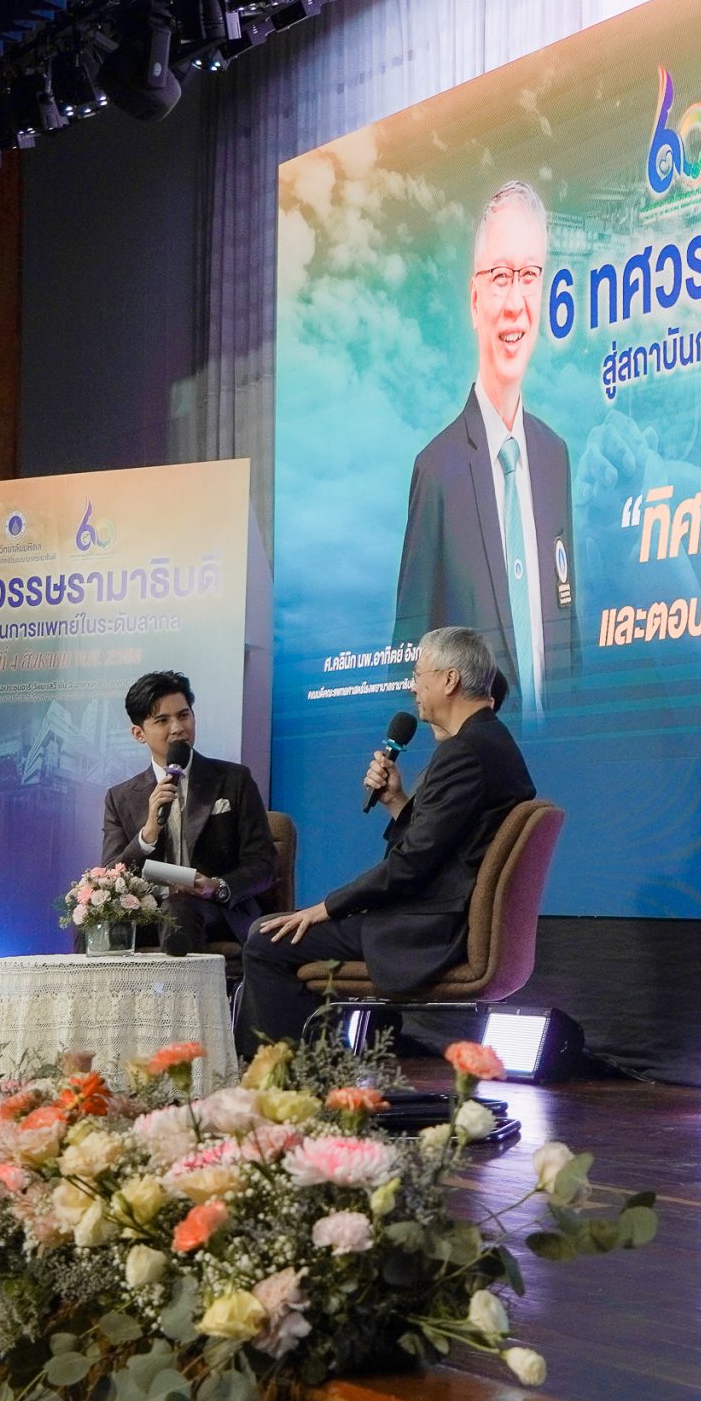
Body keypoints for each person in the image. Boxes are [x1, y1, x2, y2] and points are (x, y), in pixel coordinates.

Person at [242, 626, 535, 1049]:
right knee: (275, 931)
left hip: (428, 928)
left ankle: (285, 1075)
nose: (412, 687)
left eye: (418, 675)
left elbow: (411, 865)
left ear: (449, 680)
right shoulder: (488, 741)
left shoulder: (464, 752)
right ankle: (317, 1065)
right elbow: (443, 845)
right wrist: (397, 801)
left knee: (266, 939)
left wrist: (325, 908)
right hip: (438, 915)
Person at [392, 181, 580, 714]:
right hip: (475, 764)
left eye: (529, 276)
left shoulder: (554, 456)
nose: (516, 303)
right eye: (500, 277)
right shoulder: (438, 470)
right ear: (475, 301)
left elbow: (566, 629)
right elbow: (408, 656)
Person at [97, 671, 278, 951]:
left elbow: (264, 864)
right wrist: (147, 835)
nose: (178, 728)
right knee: (93, 920)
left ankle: (181, 983)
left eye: (184, 715)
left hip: (216, 909)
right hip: (147, 909)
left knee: (179, 908)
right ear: (138, 734)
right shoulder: (120, 797)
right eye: (162, 721)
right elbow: (111, 874)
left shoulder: (233, 779)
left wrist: (217, 886)